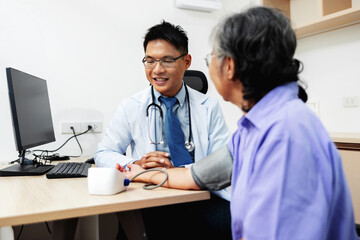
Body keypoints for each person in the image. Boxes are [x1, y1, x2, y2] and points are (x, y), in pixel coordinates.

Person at [121, 7, 359, 240]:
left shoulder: (285, 132)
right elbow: (197, 175)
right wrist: (143, 172)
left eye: (212, 57)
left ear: (230, 66)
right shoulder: (255, 126)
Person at [95, 21, 231, 239]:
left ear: (186, 62)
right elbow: (103, 153)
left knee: (225, 223)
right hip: (150, 195)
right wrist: (135, 164)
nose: (157, 70)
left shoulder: (209, 107)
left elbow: (221, 166)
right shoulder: (131, 106)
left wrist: (176, 171)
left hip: (198, 197)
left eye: (167, 60)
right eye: (150, 61)